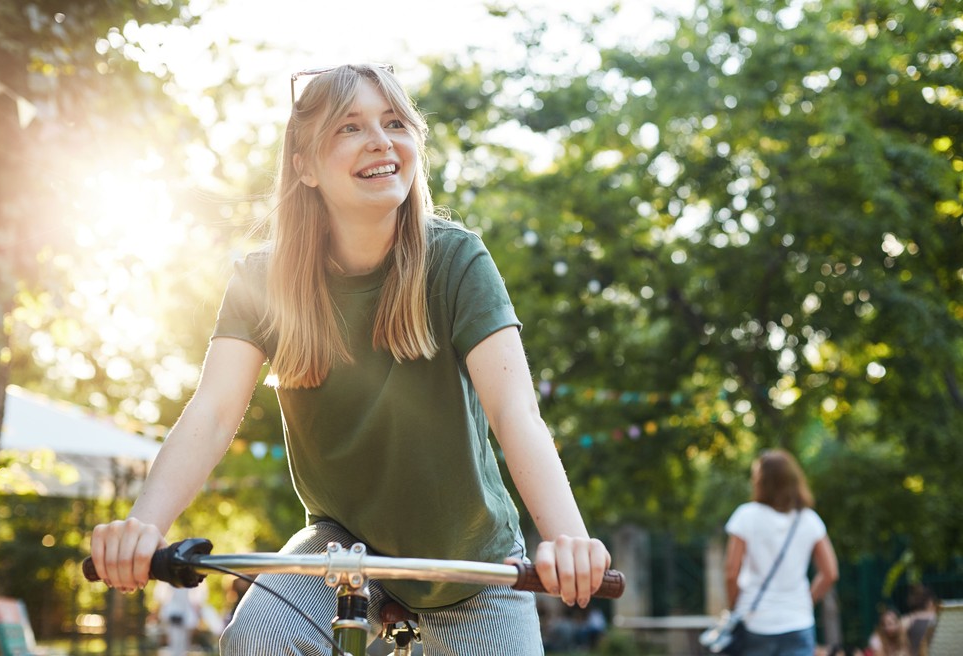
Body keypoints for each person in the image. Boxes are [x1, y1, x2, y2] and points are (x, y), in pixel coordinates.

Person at [89, 63, 610, 655]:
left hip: (466, 550)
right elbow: (211, 414)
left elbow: (515, 413)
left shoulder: (457, 262)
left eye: (394, 123)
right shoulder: (262, 280)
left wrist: (567, 538)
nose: (381, 140)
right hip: (341, 546)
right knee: (258, 637)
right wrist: (144, 529)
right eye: (349, 127)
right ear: (304, 166)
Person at [724, 449, 839, 656]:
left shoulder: (746, 516)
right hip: (798, 621)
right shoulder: (809, 519)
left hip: (755, 621)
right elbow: (830, 573)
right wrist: (805, 601)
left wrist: (736, 607)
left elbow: (732, 572)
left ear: (761, 481)